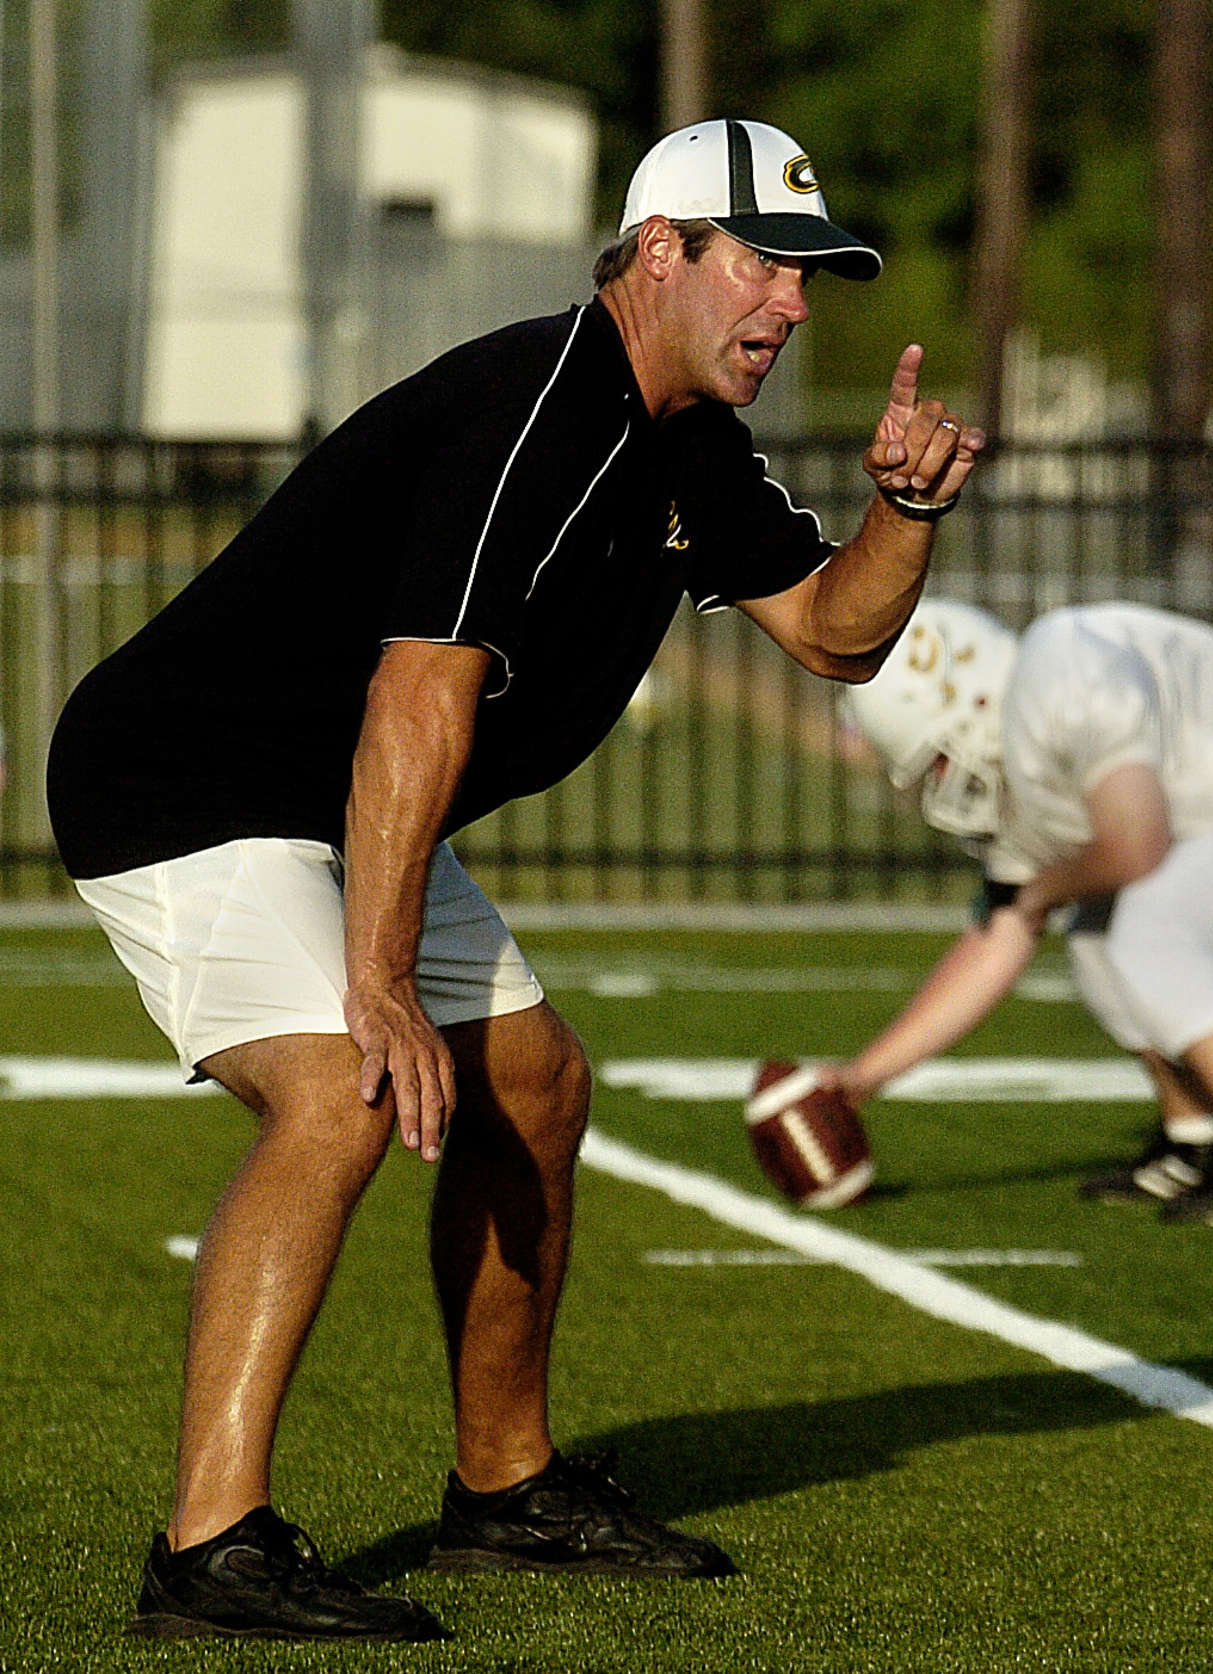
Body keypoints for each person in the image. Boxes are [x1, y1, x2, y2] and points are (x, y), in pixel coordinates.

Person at [47, 118, 983, 1642]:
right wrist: (378, 977)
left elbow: (833, 631)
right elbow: (421, 691)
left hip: (330, 798)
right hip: (188, 783)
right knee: (345, 1089)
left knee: (535, 1086)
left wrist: (910, 512)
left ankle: (506, 1487)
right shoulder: (542, 404)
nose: (797, 304)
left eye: (811, 274)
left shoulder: (682, 435)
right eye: (766, 261)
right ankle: (207, 1545)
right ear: (659, 252)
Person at [827, 598, 1213, 1224]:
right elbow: (1001, 931)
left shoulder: (1062, 673)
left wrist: (1044, 889)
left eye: (936, 759)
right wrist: (861, 1079)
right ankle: (1194, 1136)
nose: (941, 780)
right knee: (1095, 931)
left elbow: (1135, 847)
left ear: (970, 700)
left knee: (1149, 913)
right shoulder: (1027, 737)